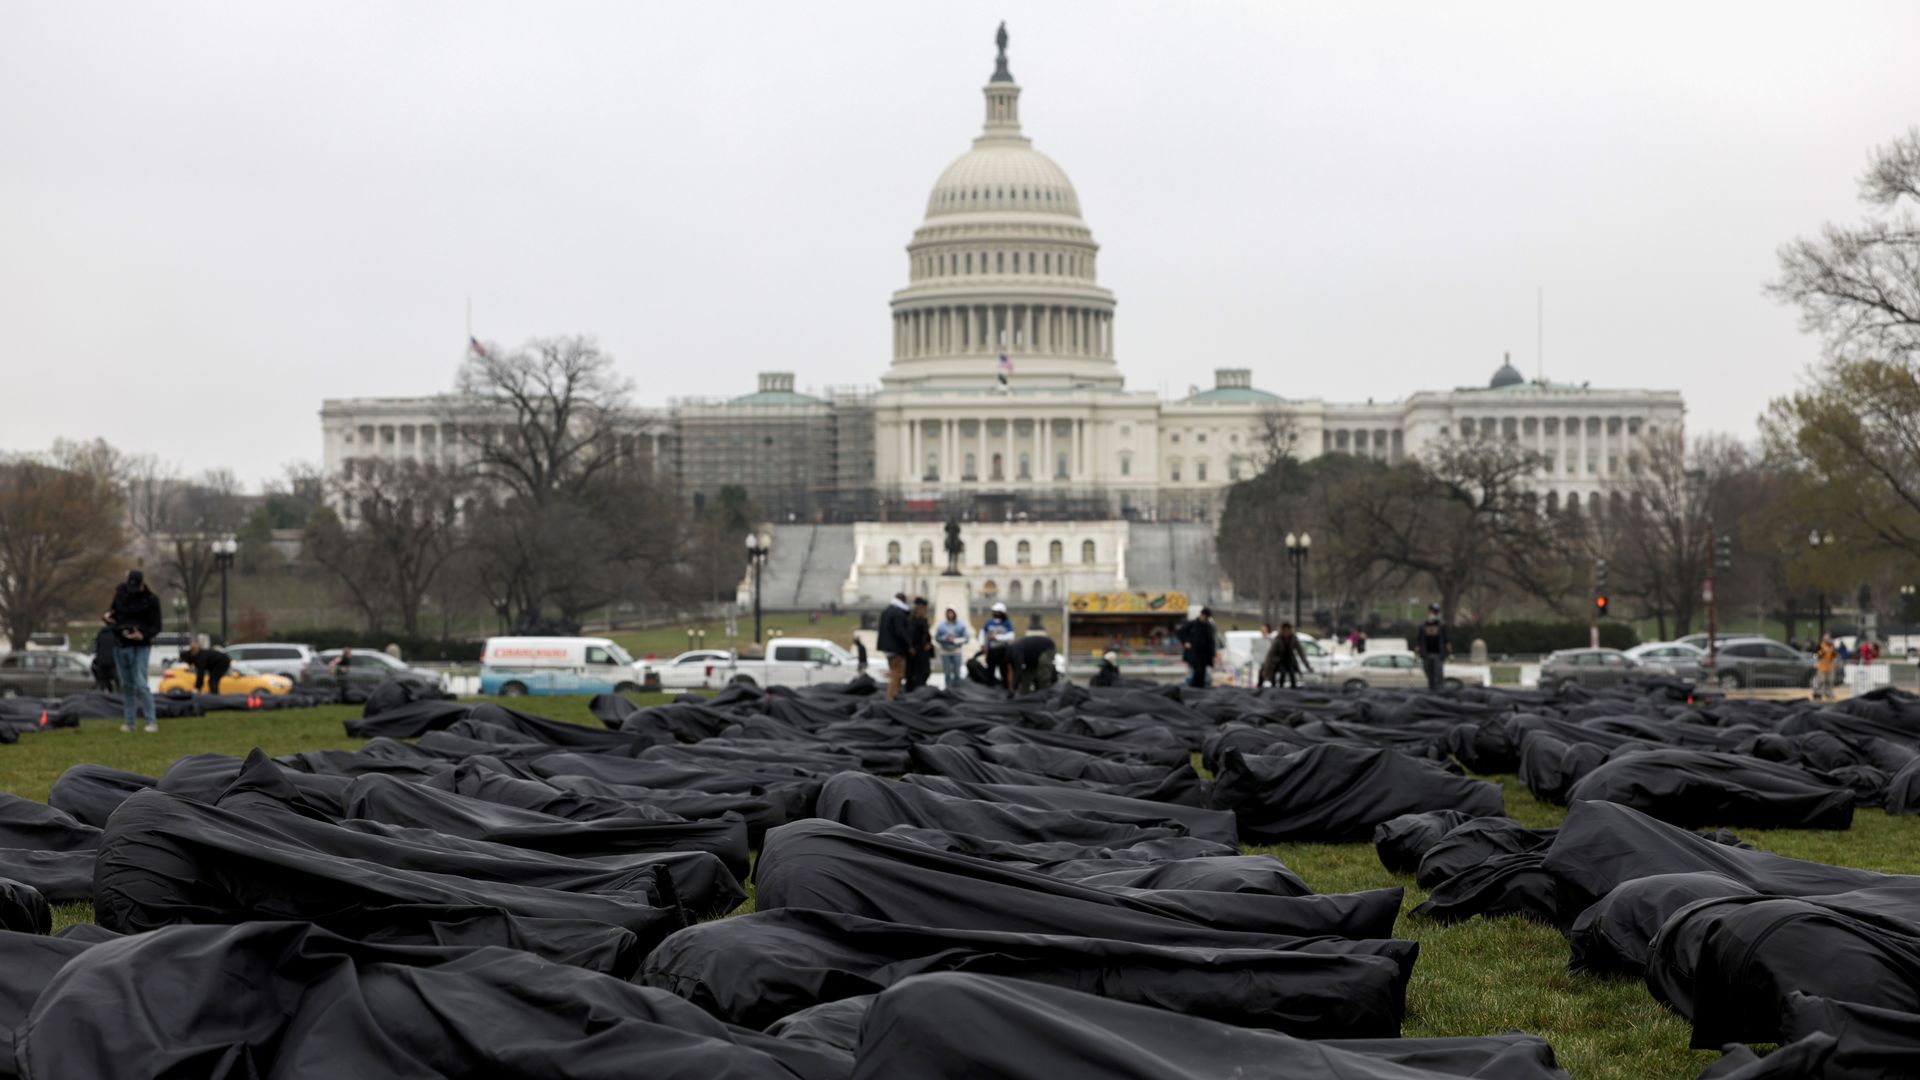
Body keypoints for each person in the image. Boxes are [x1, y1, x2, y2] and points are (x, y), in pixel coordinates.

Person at [102, 569, 161, 732]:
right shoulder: (121, 595)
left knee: (141, 683)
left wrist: (143, 635)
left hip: (140, 646)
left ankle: (151, 721)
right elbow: (113, 614)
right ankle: (130, 722)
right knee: (127, 685)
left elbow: (157, 626)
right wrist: (108, 619)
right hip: (121, 645)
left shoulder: (151, 600)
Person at [875, 593, 912, 701]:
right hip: (896, 648)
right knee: (897, 674)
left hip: (887, 648)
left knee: (895, 672)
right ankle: (891, 697)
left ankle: (895, 695)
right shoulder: (897, 613)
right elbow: (900, 631)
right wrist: (909, 643)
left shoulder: (887, 611)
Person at [1259, 621, 1313, 689]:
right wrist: (1266, 669)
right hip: (1278, 661)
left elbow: (1301, 653)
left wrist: (1308, 666)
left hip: (1289, 661)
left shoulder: (1293, 639)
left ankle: (1293, 688)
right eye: (1285, 630)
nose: (1286, 632)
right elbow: (1271, 654)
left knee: (1292, 674)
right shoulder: (1278, 639)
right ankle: (1278, 688)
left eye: (1288, 630)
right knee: (1282, 672)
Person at [1177, 607, 1219, 689]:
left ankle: (1199, 692)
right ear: (1202, 615)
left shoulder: (1209, 626)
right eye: (1205, 617)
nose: (1206, 619)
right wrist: (1185, 642)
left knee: (1202, 675)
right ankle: (1191, 691)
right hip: (1193, 654)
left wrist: (1213, 654)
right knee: (1194, 674)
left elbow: (1211, 641)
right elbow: (1180, 633)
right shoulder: (1192, 624)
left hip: (1204, 656)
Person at [1415, 604, 1450, 692]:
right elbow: (1419, 640)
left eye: (1436, 611)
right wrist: (1417, 652)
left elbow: (1446, 639)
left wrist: (1449, 652)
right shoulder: (1423, 625)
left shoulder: (1441, 624)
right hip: (1426, 654)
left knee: (1437, 674)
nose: (1434, 613)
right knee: (1429, 673)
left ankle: (1439, 691)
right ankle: (1432, 690)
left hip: (1438, 654)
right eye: (1432, 611)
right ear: (1429, 612)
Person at [981, 602, 1016, 688]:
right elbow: (982, 634)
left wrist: (997, 637)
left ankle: (1005, 686)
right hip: (992, 650)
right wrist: (982, 644)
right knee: (990, 669)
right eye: (994, 611)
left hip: (1003, 650)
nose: (994, 613)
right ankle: (990, 686)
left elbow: (1011, 636)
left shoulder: (1007, 623)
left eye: (997, 611)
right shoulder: (989, 623)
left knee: (1003, 669)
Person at [934, 607, 971, 687]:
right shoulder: (942, 625)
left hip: (956, 651)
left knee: (957, 672)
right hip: (945, 651)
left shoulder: (961, 625)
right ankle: (948, 689)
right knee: (947, 672)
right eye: (948, 612)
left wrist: (956, 640)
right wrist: (945, 638)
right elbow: (937, 637)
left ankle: (957, 689)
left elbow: (966, 638)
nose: (950, 614)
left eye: (951, 612)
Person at [904, 597, 934, 692]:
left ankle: (919, 690)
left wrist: (928, 644)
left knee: (924, 672)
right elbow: (909, 635)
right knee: (912, 674)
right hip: (914, 651)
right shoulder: (911, 620)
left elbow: (926, 635)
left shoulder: (923, 620)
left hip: (923, 651)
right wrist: (910, 647)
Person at [90, 625, 119, 693]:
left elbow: (95, 648)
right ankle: (118, 697)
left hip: (101, 663)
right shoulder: (116, 634)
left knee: (103, 683)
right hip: (113, 663)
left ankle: (105, 696)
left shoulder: (100, 634)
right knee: (118, 682)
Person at [1815, 633, 1837, 701]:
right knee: (1821, 681)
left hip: (1830, 666)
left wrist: (1832, 651)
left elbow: (1834, 655)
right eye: (1825, 637)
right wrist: (1823, 651)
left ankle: (1829, 694)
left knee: (1830, 681)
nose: (1827, 639)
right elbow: (1816, 655)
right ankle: (1819, 694)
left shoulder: (1832, 645)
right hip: (1822, 665)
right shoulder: (1820, 645)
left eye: (1828, 637)